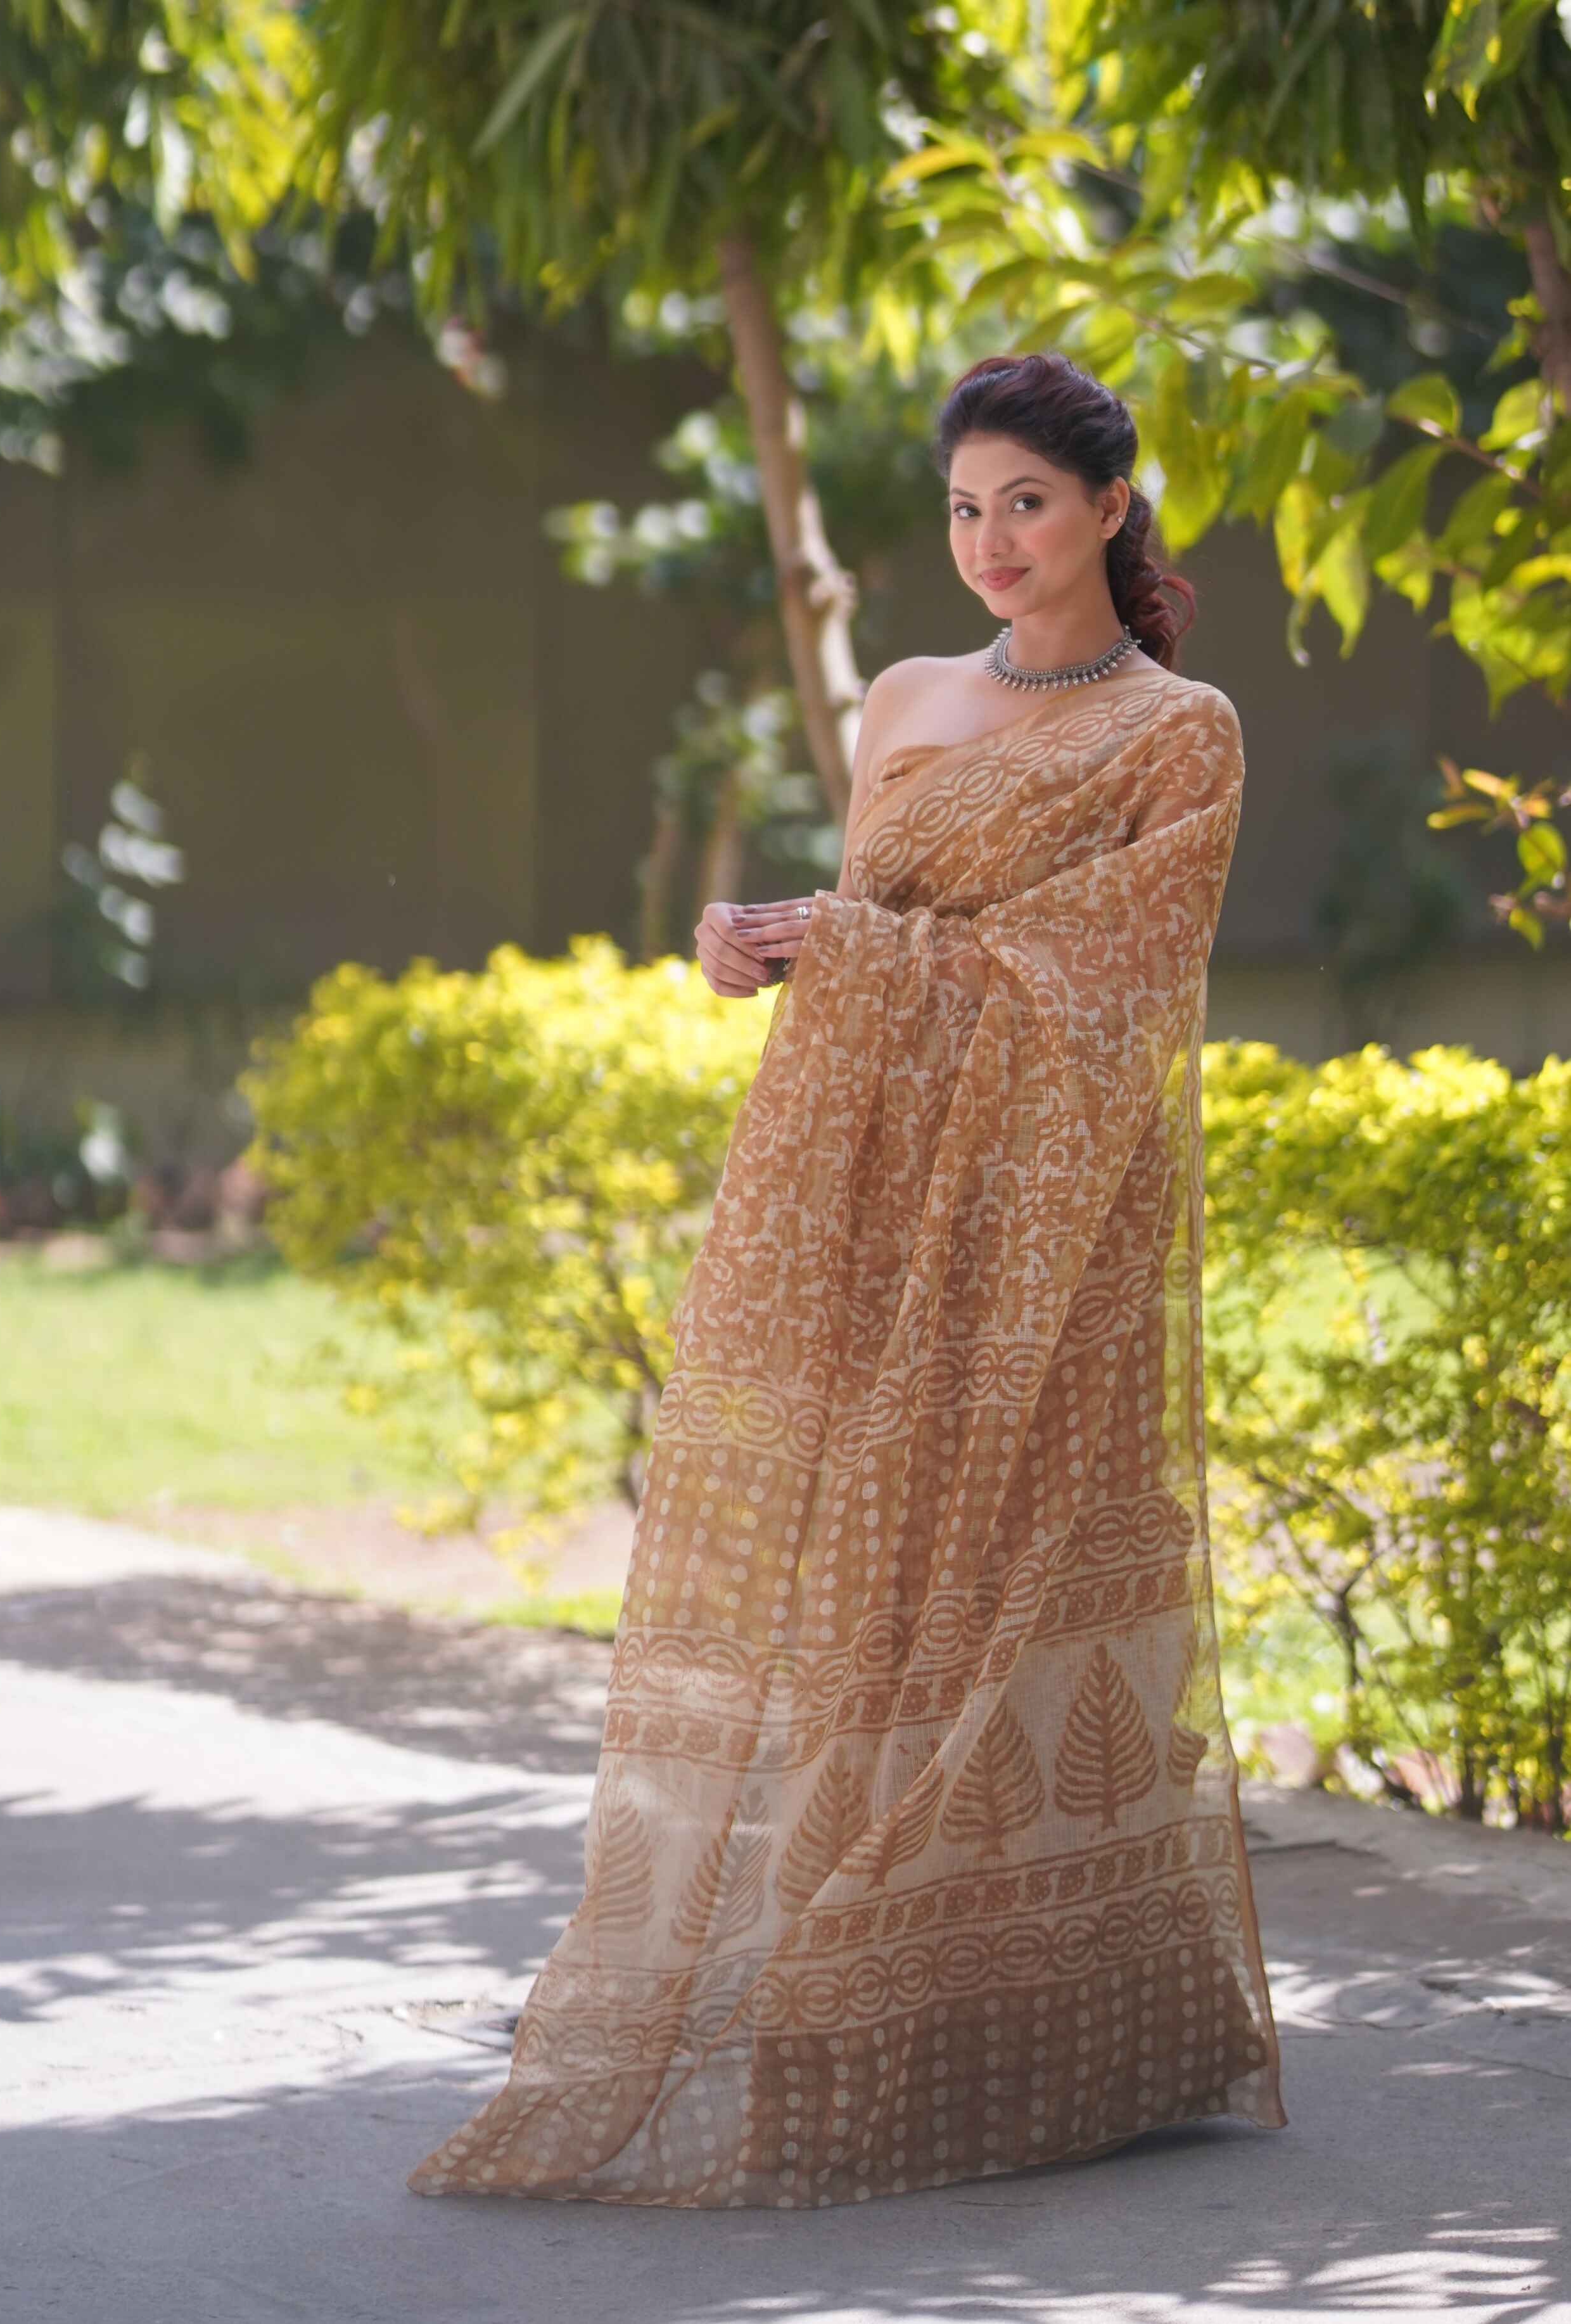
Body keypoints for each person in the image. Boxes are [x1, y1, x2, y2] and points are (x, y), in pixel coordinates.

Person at [405, 350, 1288, 2209]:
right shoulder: (902, 692)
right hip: (860, 1193)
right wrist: (761, 944)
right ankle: (834, 1980)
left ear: (1112, 510)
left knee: (1021, 1568)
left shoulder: (1179, 731)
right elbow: (879, 920)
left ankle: (1065, 2020)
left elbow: (1116, 979)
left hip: (1056, 1217)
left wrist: (869, 954)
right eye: (965, 507)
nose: (990, 542)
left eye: (1027, 504)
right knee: (855, 1571)